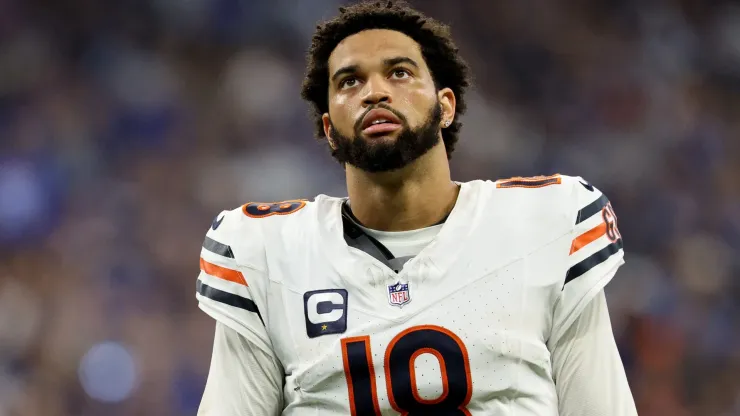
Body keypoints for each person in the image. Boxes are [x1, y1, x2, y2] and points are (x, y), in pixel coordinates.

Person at [195, 1, 638, 415]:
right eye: (350, 81)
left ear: (445, 106)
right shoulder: (266, 253)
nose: (374, 93)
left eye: (399, 73)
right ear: (329, 129)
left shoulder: (546, 223)